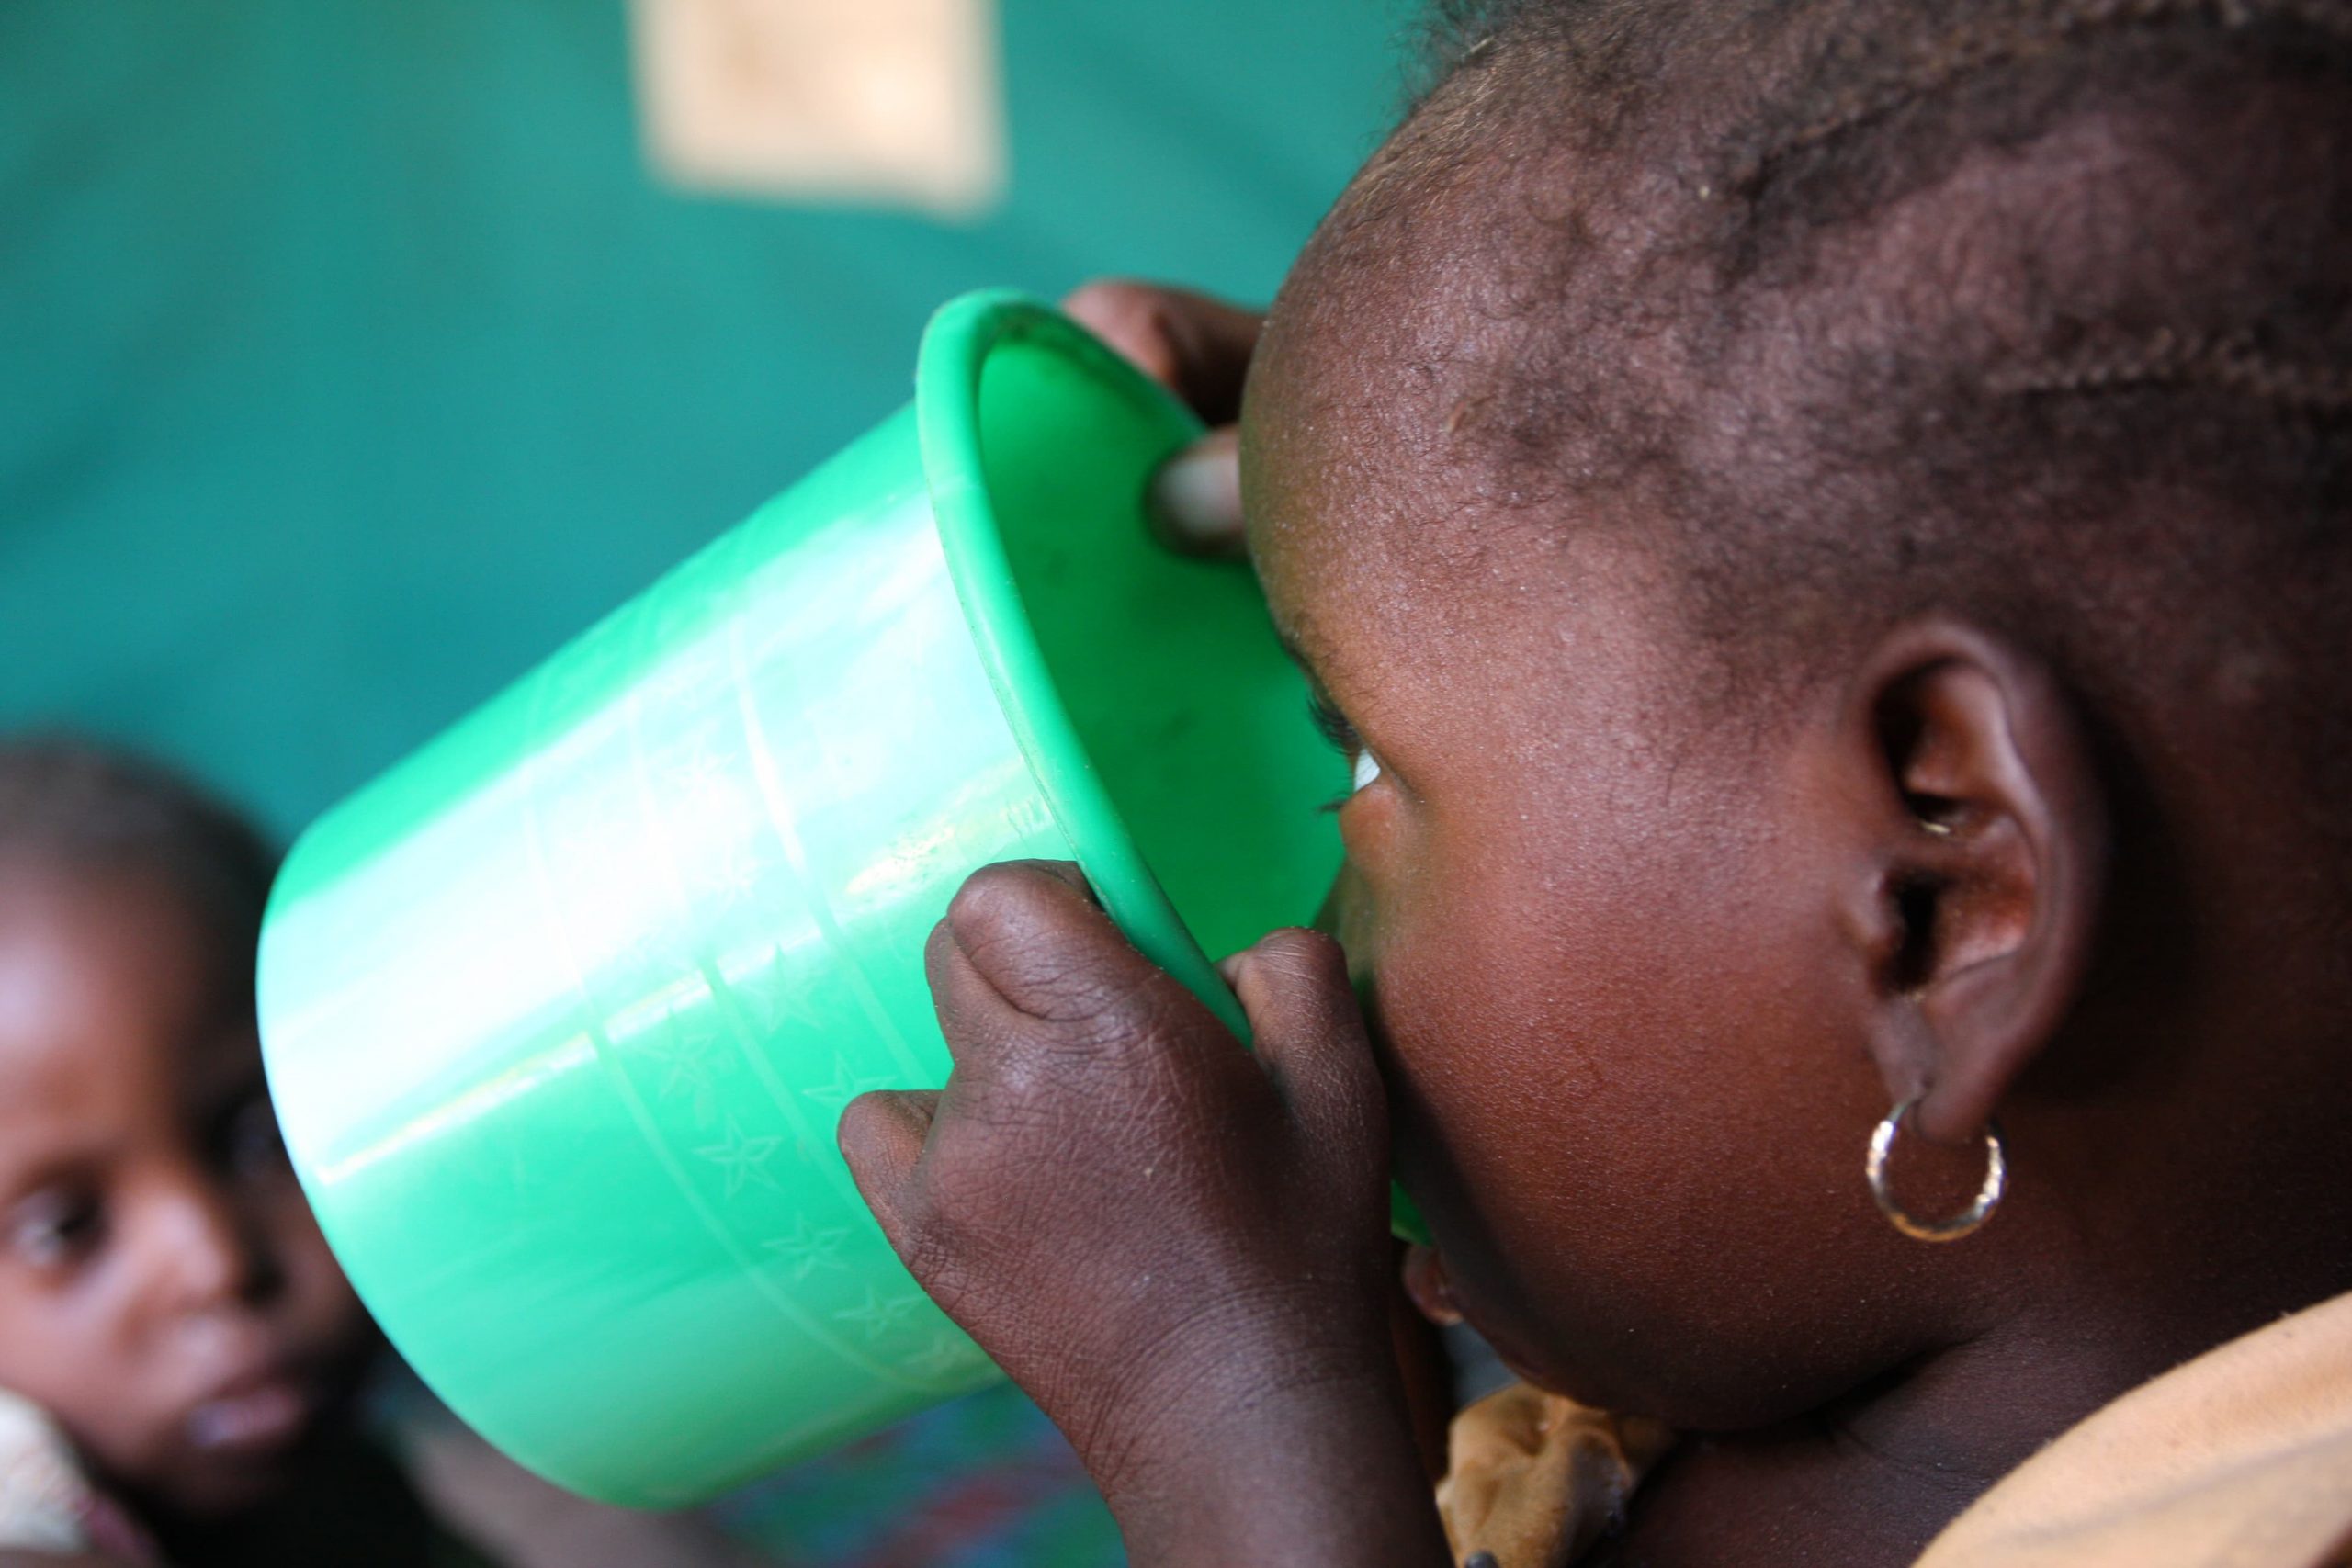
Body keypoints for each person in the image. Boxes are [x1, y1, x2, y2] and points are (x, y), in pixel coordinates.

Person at [833, 1, 2352, 1564]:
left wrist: (1223, 1400)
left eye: (1357, 756)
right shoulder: (1775, 1330)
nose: (1300, 941)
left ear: (1941, 896)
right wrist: (1401, 462)